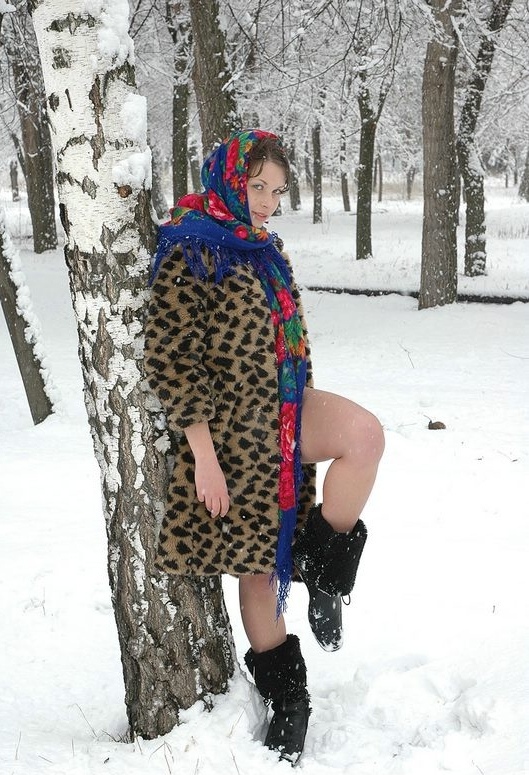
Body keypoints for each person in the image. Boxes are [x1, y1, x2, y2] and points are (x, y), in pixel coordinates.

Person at [144, 129, 384, 765]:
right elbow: (171, 360)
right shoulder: (191, 247)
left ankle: (324, 573)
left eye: (277, 192)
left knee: (364, 435)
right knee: (258, 571)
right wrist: (205, 457)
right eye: (258, 188)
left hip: (284, 412)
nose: (268, 203)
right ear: (230, 179)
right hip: (231, 434)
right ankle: (290, 703)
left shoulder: (263, 247)